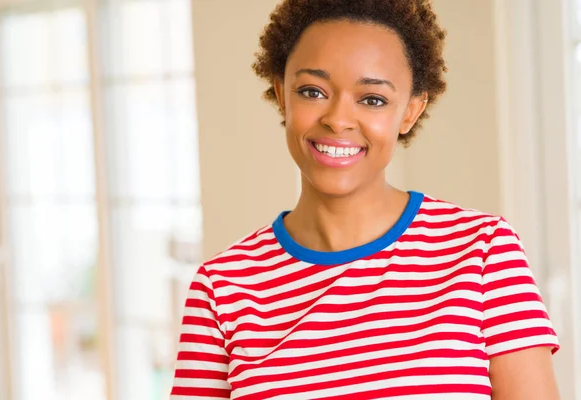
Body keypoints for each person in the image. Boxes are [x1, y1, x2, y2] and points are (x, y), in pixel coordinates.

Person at [170, 0, 560, 399]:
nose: (338, 119)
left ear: (410, 111)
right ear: (281, 95)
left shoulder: (483, 252)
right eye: (312, 91)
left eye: (372, 99)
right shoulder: (223, 287)